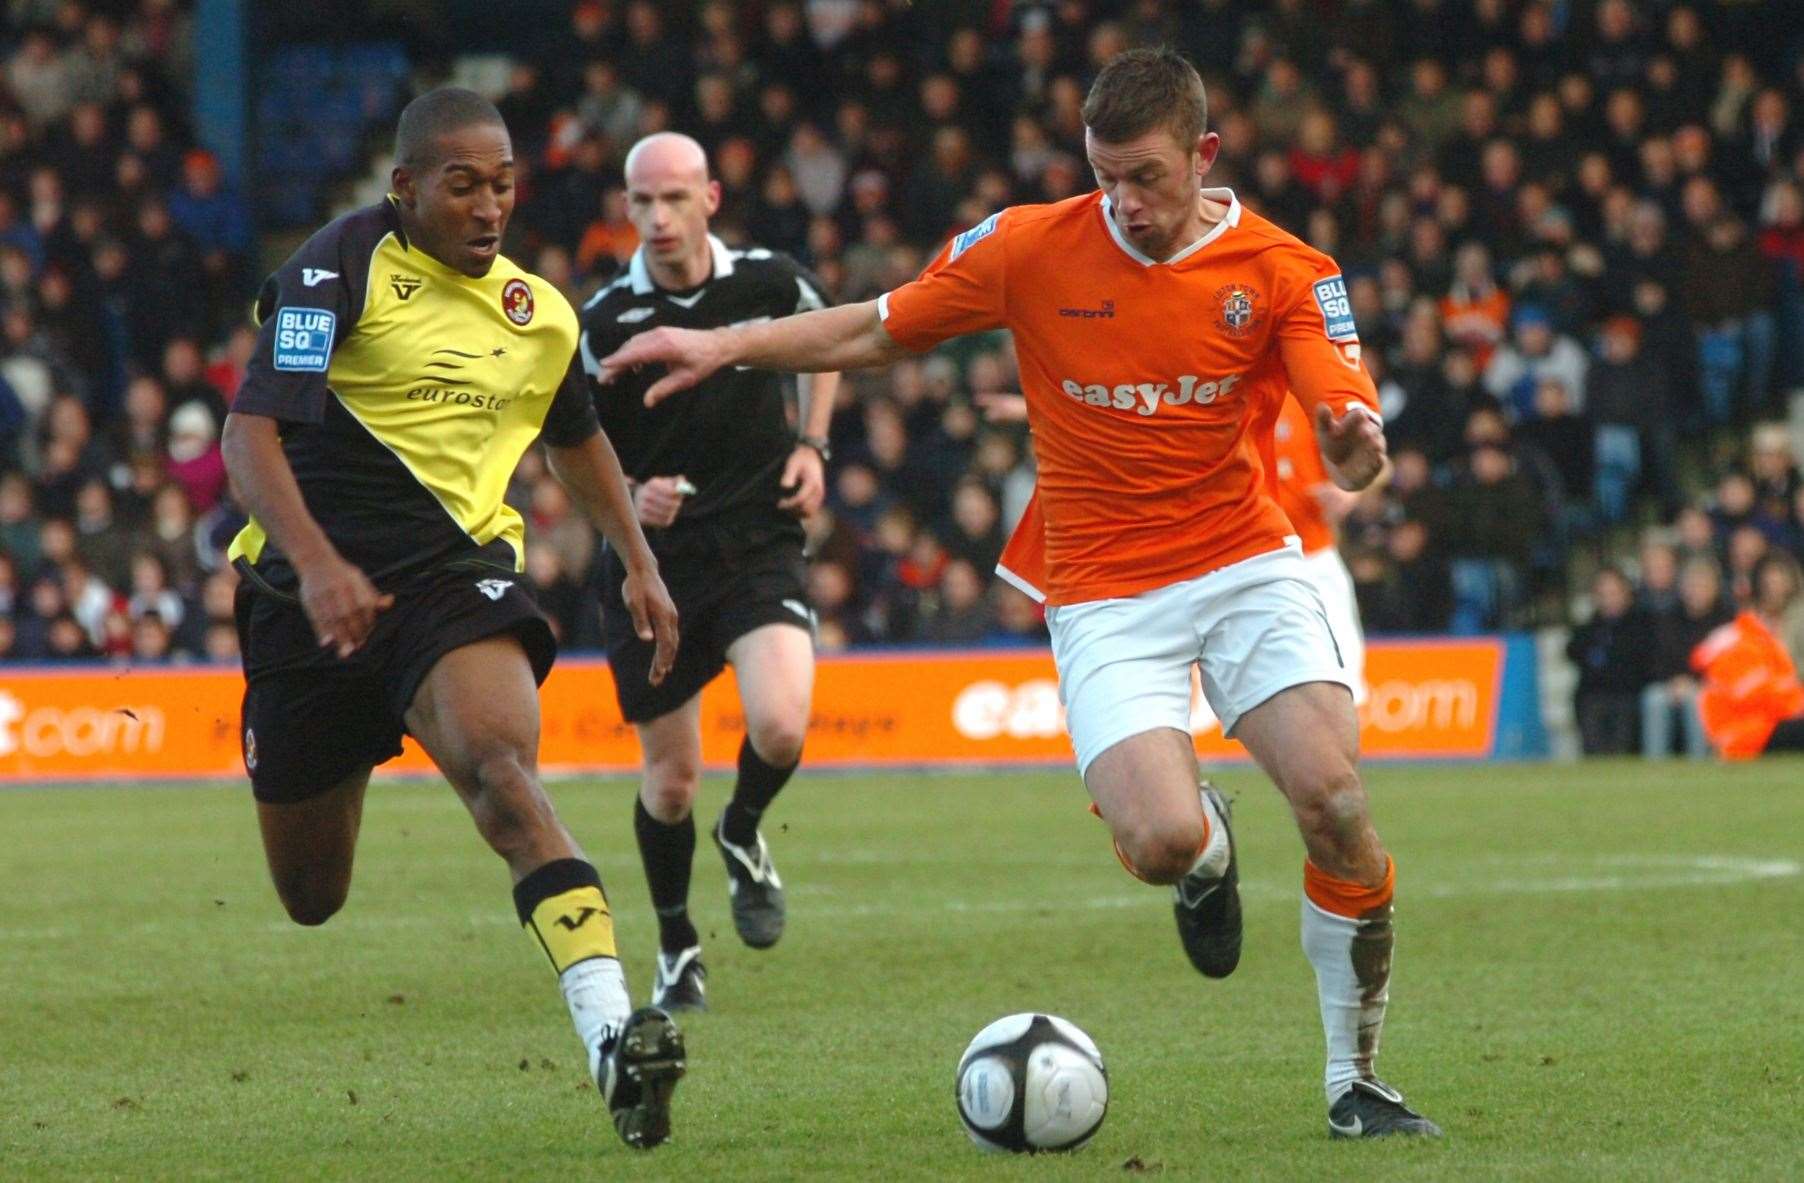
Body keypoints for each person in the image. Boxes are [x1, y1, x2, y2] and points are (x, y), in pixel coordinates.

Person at [601, 50, 1438, 1139]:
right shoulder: (1032, 244)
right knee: (1159, 843)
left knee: (1333, 799)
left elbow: (1354, 451)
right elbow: (871, 327)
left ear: (1205, 156)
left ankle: (1354, 1078)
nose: (1124, 202)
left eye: (1146, 176)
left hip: (1241, 560)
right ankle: (1208, 852)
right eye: (1104, 176)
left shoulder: (1288, 269)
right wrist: (725, 342)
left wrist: (1351, 447)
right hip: (1099, 587)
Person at [218, 88, 685, 1150]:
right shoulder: (333, 270)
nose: (488, 207)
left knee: (503, 777)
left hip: (449, 580)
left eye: (504, 185)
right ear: (406, 188)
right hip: (304, 600)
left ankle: (614, 1035)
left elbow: (578, 441)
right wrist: (319, 562)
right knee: (310, 895)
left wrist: (638, 561)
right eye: (462, 184)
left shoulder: (542, 315)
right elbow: (250, 441)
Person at [577, 132, 839, 1013]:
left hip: (758, 538)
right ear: (627, 208)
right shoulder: (602, 321)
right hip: (653, 567)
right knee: (672, 779)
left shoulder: (766, 279)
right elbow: (564, 449)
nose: (658, 217)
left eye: (675, 198)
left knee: (780, 725)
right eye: (642, 201)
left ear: (710, 199)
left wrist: (813, 444)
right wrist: (627, 498)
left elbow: (831, 340)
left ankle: (744, 831)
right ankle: (677, 942)